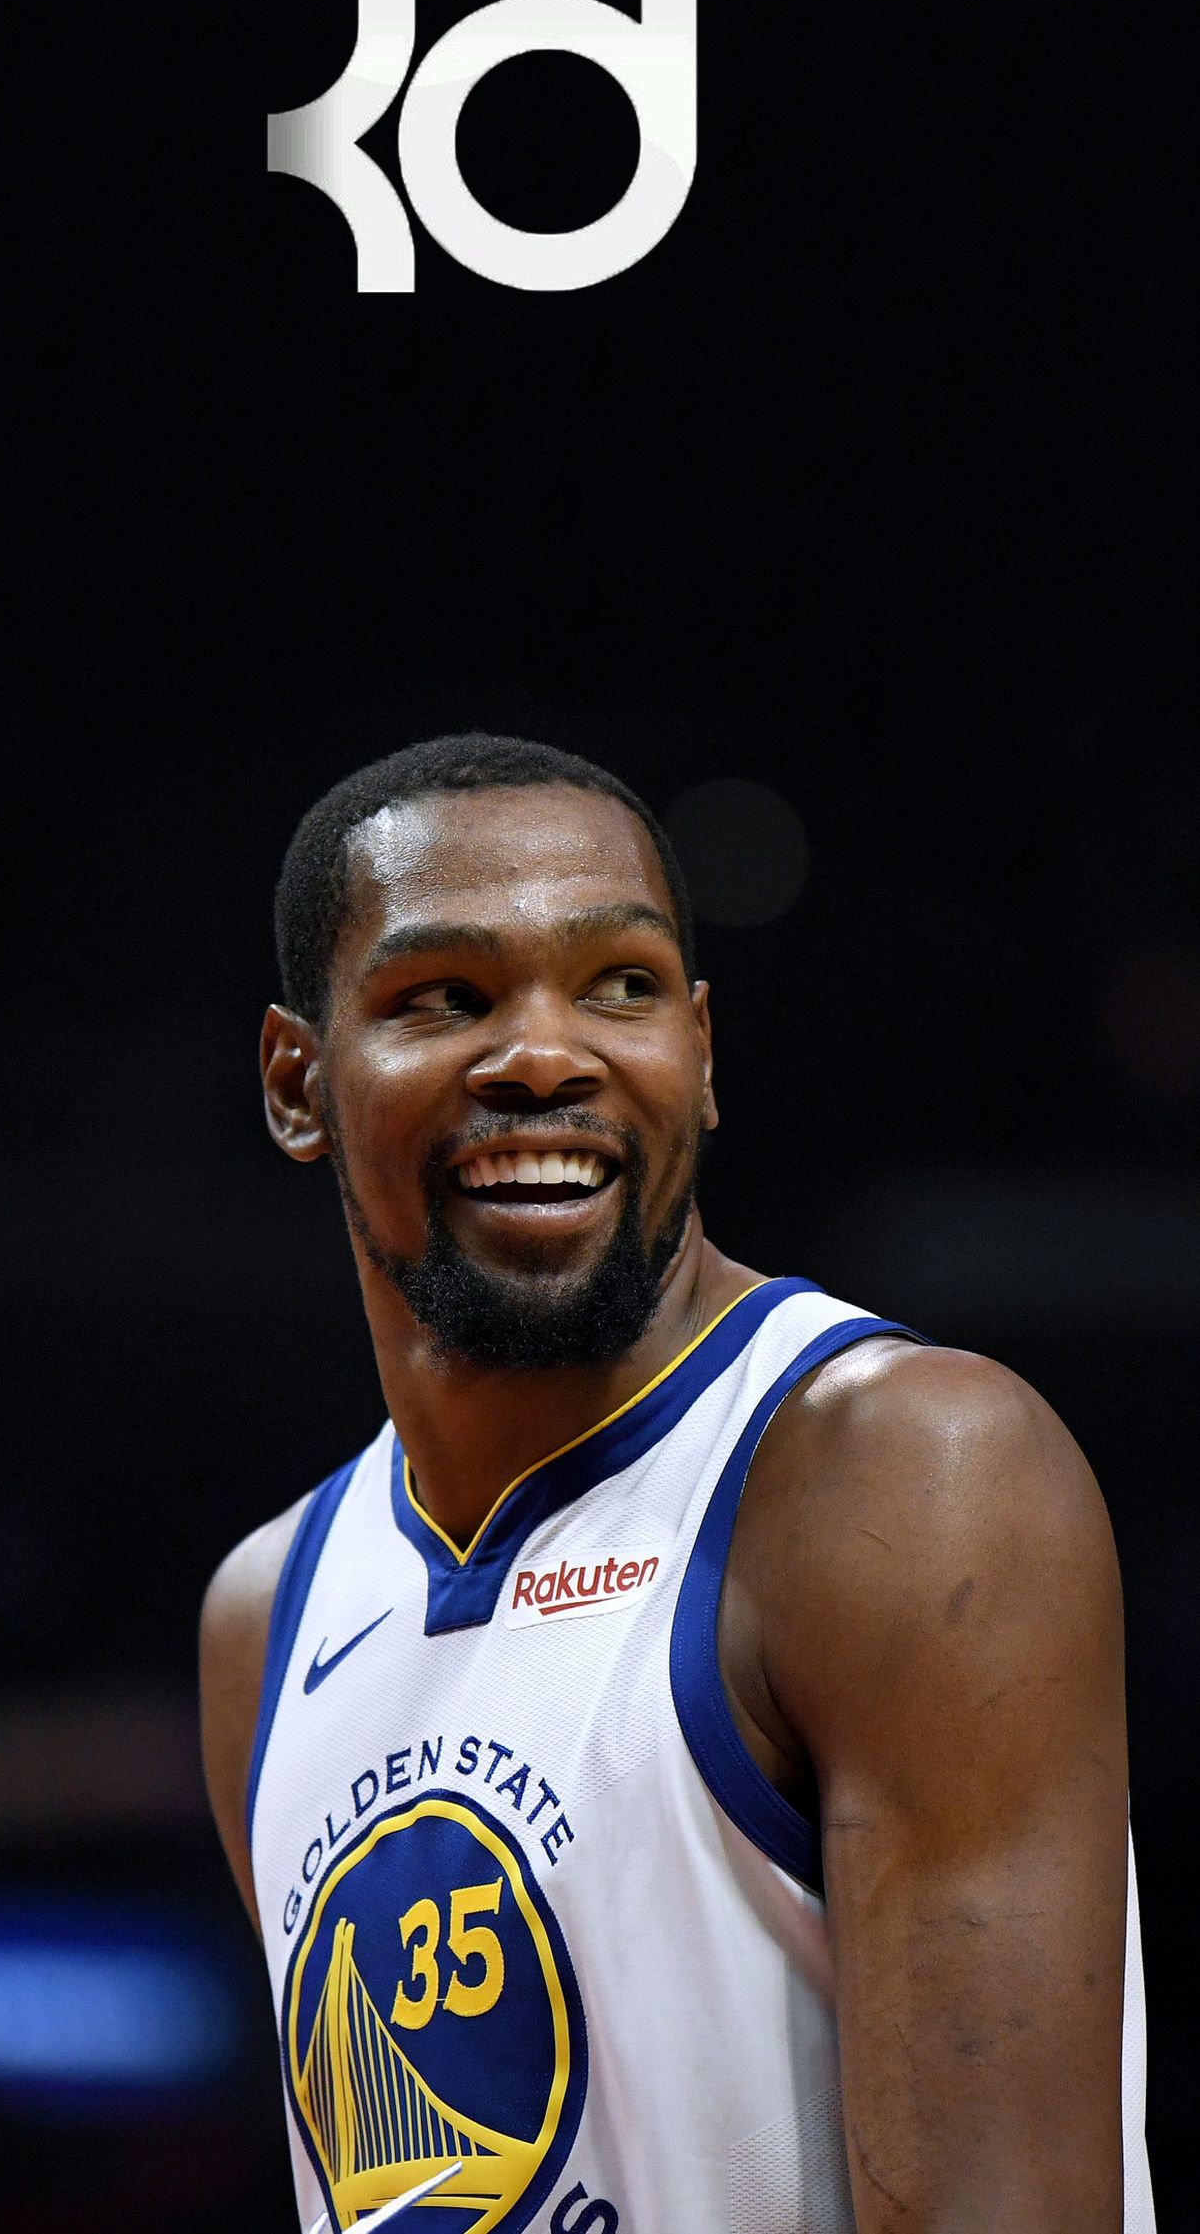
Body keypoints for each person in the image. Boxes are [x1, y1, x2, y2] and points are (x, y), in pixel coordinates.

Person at [201, 734, 1151, 2234]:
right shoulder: (268, 1615)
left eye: (619, 985)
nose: (544, 1054)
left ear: (700, 1057)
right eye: (446, 997)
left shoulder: (901, 1475)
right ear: (295, 1081)